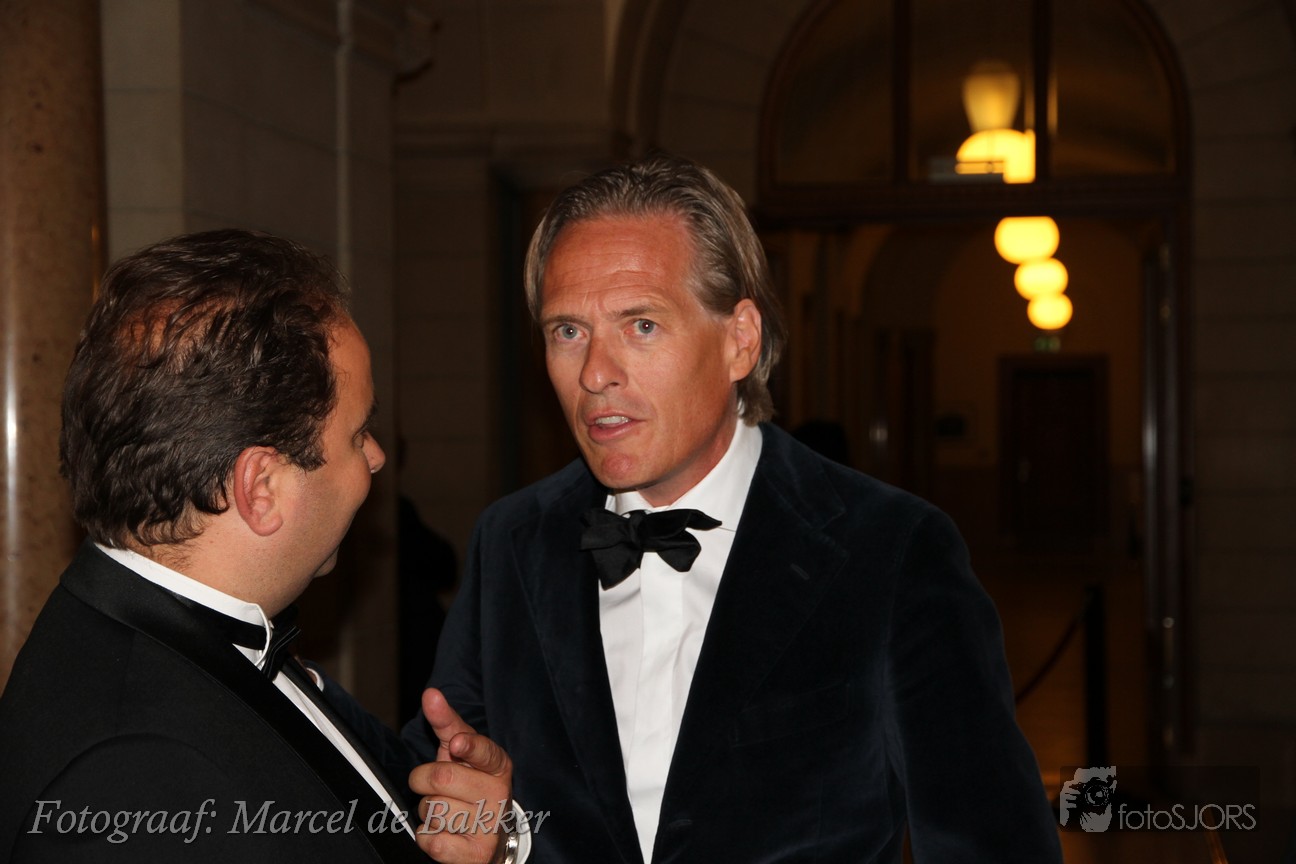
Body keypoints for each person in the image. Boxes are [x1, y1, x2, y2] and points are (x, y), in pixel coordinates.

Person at [406, 153, 1063, 862]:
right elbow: (431, 794)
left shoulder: (892, 551)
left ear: (740, 340)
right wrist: (494, 838)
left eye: (641, 326)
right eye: (568, 331)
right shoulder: (513, 541)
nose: (595, 373)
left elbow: (993, 846)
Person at [0, 230, 513, 864]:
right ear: (261, 488)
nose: (377, 457)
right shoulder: (139, 771)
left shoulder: (190, 635)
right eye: (357, 435)